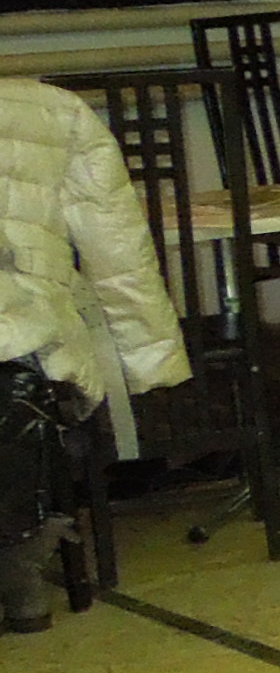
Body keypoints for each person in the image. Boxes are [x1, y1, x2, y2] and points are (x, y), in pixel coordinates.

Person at [0, 78, 189, 631]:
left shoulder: (57, 111)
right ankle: (20, 561)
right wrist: (148, 359)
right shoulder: (53, 109)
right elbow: (117, 250)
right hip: (34, 343)